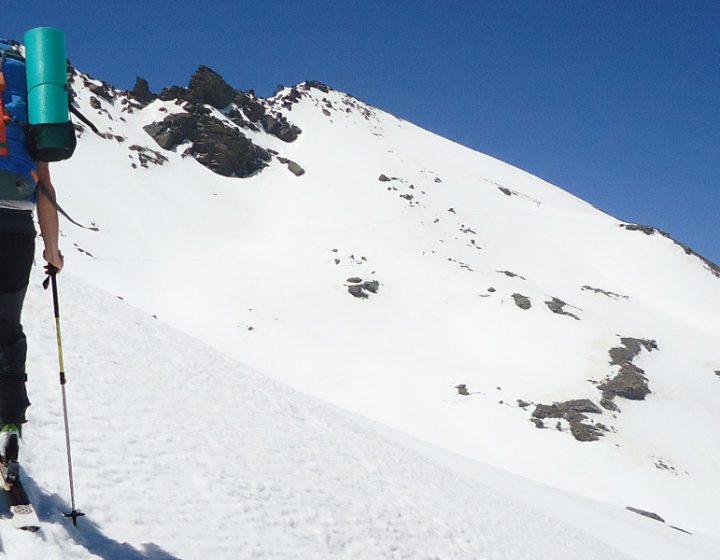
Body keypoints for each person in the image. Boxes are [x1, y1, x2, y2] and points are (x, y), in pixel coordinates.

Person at [0, 39, 63, 465]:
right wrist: (53, 250)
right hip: (18, 230)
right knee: (7, 329)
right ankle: (8, 425)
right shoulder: (30, 108)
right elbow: (46, 189)